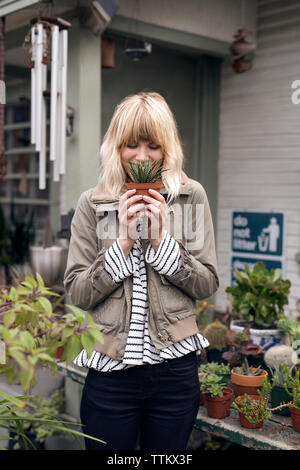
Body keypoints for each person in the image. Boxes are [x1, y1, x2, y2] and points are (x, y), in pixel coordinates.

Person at [63, 91, 219, 451]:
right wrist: (124, 243)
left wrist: (162, 241)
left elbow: (207, 281)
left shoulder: (190, 197)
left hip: (175, 372)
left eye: (153, 146)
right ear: (116, 147)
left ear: (168, 148)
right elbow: (77, 290)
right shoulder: (93, 203)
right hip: (110, 374)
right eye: (131, 144)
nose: (142, 156)